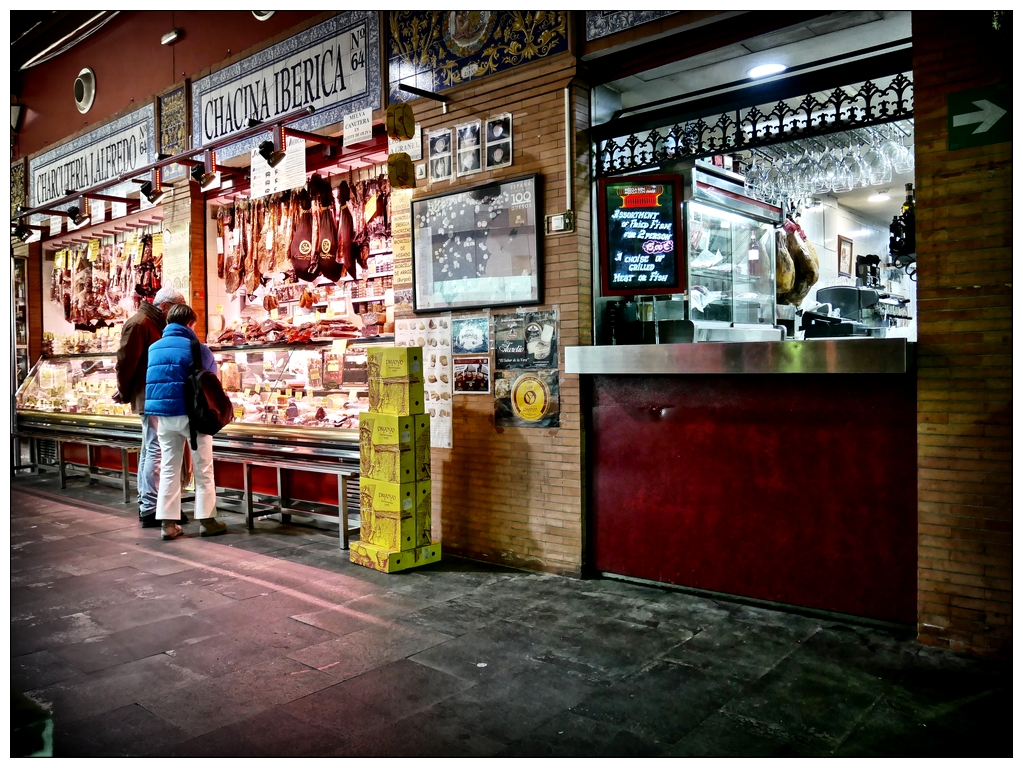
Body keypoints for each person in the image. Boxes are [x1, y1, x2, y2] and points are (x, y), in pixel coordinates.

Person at [144, 303, 227, 541]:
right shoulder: (198, 348)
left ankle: (168, 525)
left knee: (169, 467)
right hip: (193, 416)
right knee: (203, 467)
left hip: (162, 415)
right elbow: (212, 382)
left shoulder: (154, 347)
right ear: (190, 323)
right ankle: (207, 521)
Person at [114, 285, 188, 528]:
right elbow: (125, 361)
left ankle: (154, 504)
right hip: (150, 396)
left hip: (155, 395)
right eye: (177, 308)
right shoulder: (140, 323)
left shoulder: (152, 322)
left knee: (152, 448)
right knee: (155, 449)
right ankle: (151, 507)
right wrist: (124, 391)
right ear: (165, 306)